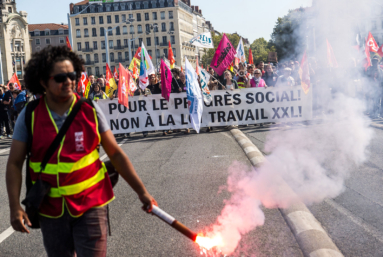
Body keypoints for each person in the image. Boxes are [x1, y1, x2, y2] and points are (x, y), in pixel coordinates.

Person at [6, 46, 157, 257]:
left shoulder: (90, 110)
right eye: (60, 77)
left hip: (91, 204)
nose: (68, 81)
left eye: (72, 75)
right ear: (43, 82)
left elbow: (116, 154)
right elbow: (14, 163)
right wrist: (14, 208)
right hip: (51, 210)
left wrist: (142, 192)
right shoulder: (29, 115)